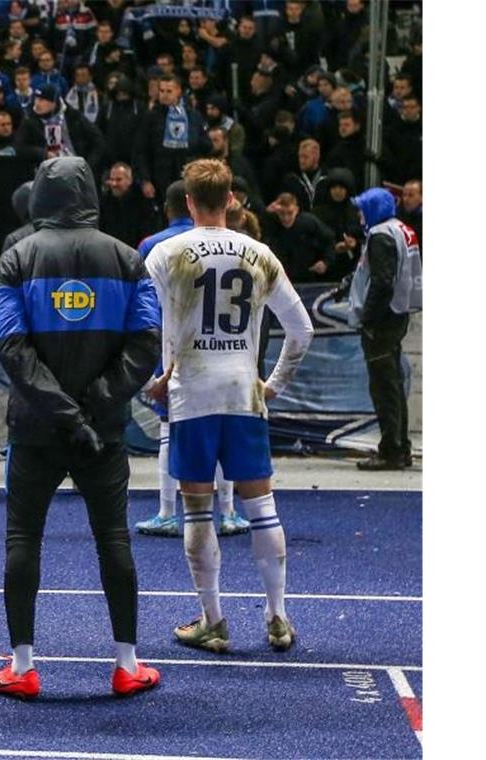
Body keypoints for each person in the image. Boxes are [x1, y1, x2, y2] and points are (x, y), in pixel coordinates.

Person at [0, 156, 162, 700]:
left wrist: (63, 414)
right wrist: (92, 412)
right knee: (112, 538)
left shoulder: (17, 258)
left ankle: (22, 666)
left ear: (40, 195)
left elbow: (11, 347)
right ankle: (127, 664)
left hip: (36, 428)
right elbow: (145, 343)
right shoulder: (129, 260)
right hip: (103, 431)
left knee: (24, 538)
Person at [145, 159, 314, 654]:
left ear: (189, 202)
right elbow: (302, 329)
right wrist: (273, 384)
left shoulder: (165, 253)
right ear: (233, 200)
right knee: (262, 508)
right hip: (243, 392)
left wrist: (158, 378)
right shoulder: (260, 254)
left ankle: (213, 620)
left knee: (196, 511)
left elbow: (151, 322)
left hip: (191, 394)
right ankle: (278, 617)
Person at [133, 181, 250, 538]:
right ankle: (228, 512)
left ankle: (169, 512)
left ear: (175, 206)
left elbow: (143, 306)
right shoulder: (240, 244)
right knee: (224, 434)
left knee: (171, 430)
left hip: (178, 352)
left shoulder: (155, 246)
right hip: (229, 352)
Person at [344, 188, 422, 471]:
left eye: (363, 208)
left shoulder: (380, 235)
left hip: (383, 321)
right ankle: (401, 447)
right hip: (398, 315)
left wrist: (368, 317)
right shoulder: (402, 229)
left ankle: (391, 450)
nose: (360, 214)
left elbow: (382, 282)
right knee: (393, 385)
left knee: (384, 387)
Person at [132, 74, 210, 201]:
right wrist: (145, 180)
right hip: (160, 178)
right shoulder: (150, 117)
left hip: (188, 176)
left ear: (178, 91)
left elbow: (205, 145)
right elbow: (141, 150)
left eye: (169, 91)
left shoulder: (193, 115)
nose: (164, 95)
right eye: (162, 91)